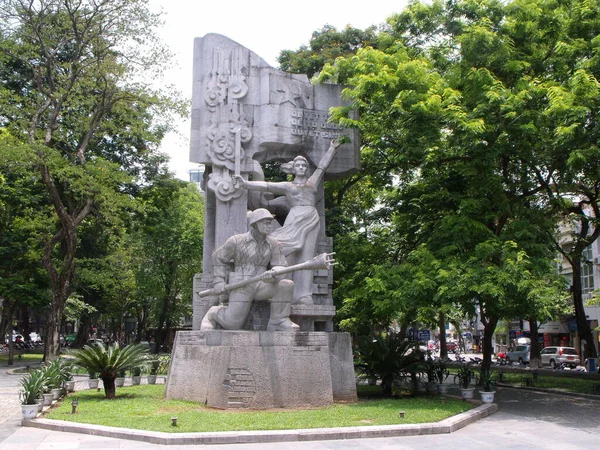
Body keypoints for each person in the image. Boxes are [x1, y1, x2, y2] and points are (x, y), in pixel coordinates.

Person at [233, 138, 341, 304]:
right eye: (298, 165)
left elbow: (322, 167)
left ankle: (303, 295)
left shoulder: (312, 183)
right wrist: (245, 183)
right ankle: (282, 289)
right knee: (284, 250)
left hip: (311, 219)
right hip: (294, 218)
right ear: (292, 168)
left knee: (307, 256)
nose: (301, 167)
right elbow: (266, 186)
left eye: (304, 166)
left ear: (306, 169)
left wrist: (332, 149)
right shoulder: (287, 186)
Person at [201, 208, 299, 331]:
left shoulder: (274, 244)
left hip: (263, 283)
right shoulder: (236, 241)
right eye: (265, 222)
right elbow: (218, 258)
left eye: (270, 222)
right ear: (255, 224)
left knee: (286, 285)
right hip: (241, 284)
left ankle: (278, 321)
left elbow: (281, 266)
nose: (269, 225)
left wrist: (274, 274)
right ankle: (213, 313)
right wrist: (219, 281)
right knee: (232, 324)